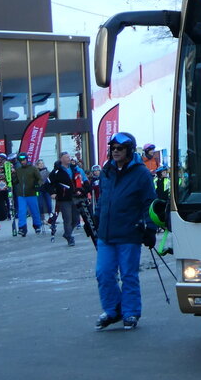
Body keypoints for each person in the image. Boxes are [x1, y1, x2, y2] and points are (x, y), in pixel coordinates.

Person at [94, 131, 157, 331]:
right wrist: (97, 217)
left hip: (129, 232)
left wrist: (151, 228)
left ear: (129, 150)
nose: (115, 152)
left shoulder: (141, 173)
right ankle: (113, 310)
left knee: (128, 274)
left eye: (119, 148)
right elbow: (103, 198)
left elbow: (150, 202)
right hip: (106, 232)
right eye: (113, 148)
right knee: (103, 273)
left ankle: (130, 312)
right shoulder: (107, 170)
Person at [49, 152, 82, 246]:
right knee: (67, 219)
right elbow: (48, 184)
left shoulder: (74, 169)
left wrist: (81, 189)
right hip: (63, 198)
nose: (69, 158)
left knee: (76, 219)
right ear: (61, 159)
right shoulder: (56, 171)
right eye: (66, 157)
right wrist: (52, 193)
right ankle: (69, 237)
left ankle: (67, 233)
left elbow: (80, 180)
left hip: (74, 197)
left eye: (69, 157)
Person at [12, 152, 44, 237]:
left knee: (34, 210)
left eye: (24, 160)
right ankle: (22, 228)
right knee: (22, 212)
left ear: (27, 159)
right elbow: (15, 181)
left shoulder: (33, 169)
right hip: (21, 195)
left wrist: (38, 185)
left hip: (31, 193)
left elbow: (40, 179)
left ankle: (37, 225)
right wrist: (12, 176)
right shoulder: (18, 170)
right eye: (21, 160)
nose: (23, 162)